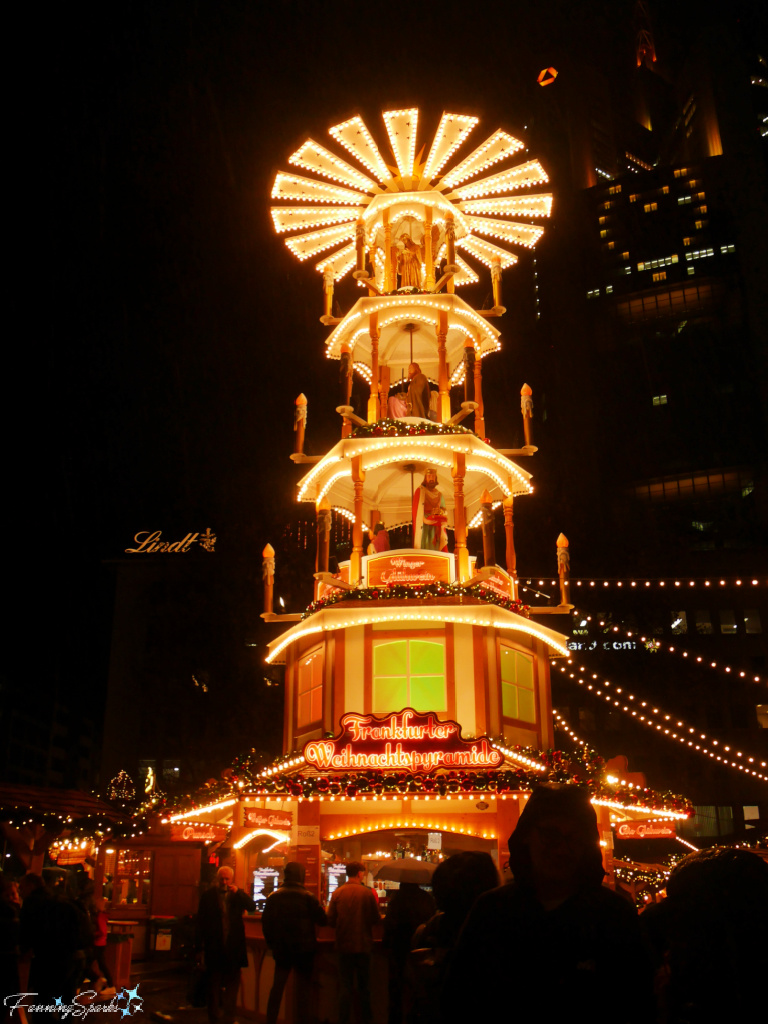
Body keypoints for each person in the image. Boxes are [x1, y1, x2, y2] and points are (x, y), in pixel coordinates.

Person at [444, 785, 653, 1023]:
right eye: (550, 835)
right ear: (526, 837)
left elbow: (638, 1001)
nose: (561, 849)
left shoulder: (613, 915)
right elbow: (459, 998)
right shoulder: (492, 911)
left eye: (573, 838)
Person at [261, 862, 326, 1024]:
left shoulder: (274, 897)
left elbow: (266, 923)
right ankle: (303, 1020)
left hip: (281, 949)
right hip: (304, 950)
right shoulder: (308, 897)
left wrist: (272, 943)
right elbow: (323, 920)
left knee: (277, 988)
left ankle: (271, 1020)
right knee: (303, 990)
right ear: (301, 876)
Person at [196, 866, 255, 1024]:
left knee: (230, 984)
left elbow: (252, 907)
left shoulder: (237, 895)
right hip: (215, 946)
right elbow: (201, 921)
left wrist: (239, 893)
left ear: (231, 879)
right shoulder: (208, 896)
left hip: (232, 947)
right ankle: (215, 1017)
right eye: (221, 879)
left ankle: (228, 1017)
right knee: (214, 984)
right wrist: (200, 947)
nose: (224, 882)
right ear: (217, 879)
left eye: (226, 879)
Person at [327, 861, 381, 1024]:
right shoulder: (367, 893)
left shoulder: (337, 893)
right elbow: (375, 919)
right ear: (359, 873)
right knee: (364, 988)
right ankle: (366, 1020)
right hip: (364, 945)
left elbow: (330, 921)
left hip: (343, 946)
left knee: (345, 987)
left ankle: (343, 1019)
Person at [383, 882, 434, 1024]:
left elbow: (389, 924)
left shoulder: (397, 898)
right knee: (418, 991)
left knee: (396, 991)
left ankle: (395, 1019)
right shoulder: (426, 898)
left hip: (398, 949)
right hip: (420, 949)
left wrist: (386, 943)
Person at [412, 469, 447, 552]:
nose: (431, 478)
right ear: (425, 478)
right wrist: (425, 518)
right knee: (425, 544)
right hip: (424, 523)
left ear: (435, 478)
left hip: (436, 525)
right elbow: (417, 509)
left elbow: (444, 509)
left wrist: (440, 512)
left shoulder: (439, 494)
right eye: (429, 476)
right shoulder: (420, 491)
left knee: (435, 545)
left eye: (433, 476)